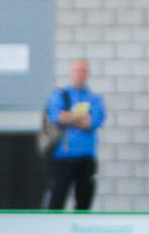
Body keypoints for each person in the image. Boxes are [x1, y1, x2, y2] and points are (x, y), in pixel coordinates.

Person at [44, 58, 106, 210]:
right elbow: (57, 117)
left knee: (84, 203)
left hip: (86, 157)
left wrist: (70, 117)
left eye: (83, 71)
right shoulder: (60, 96)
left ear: (88, 74)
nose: (80, 74)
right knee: (56, 201)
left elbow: (93, 122)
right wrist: (82, 117)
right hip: (62, 157)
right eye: (77, 70)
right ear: (71, 73)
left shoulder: (95, 99)